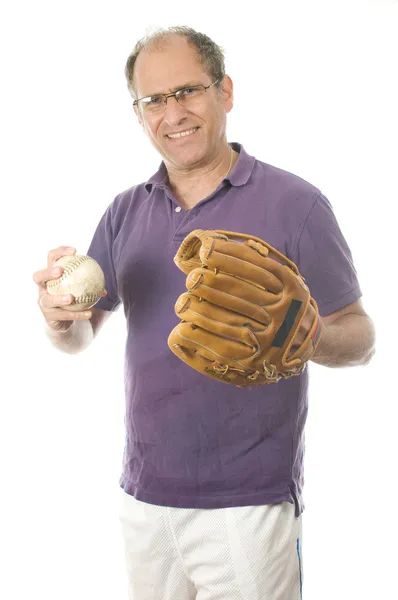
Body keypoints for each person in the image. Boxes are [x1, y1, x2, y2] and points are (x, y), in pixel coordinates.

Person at [33, 26, 376, 600]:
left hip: (248, 502)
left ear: (225, 92)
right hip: (144, 495)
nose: (173, 114)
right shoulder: (124, 212)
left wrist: (303, 335)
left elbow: (361, 339)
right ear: (139, 113)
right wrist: (57, 319)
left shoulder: (297, 204)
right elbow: (80, 336)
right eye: (154, 100)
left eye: (188, 91)